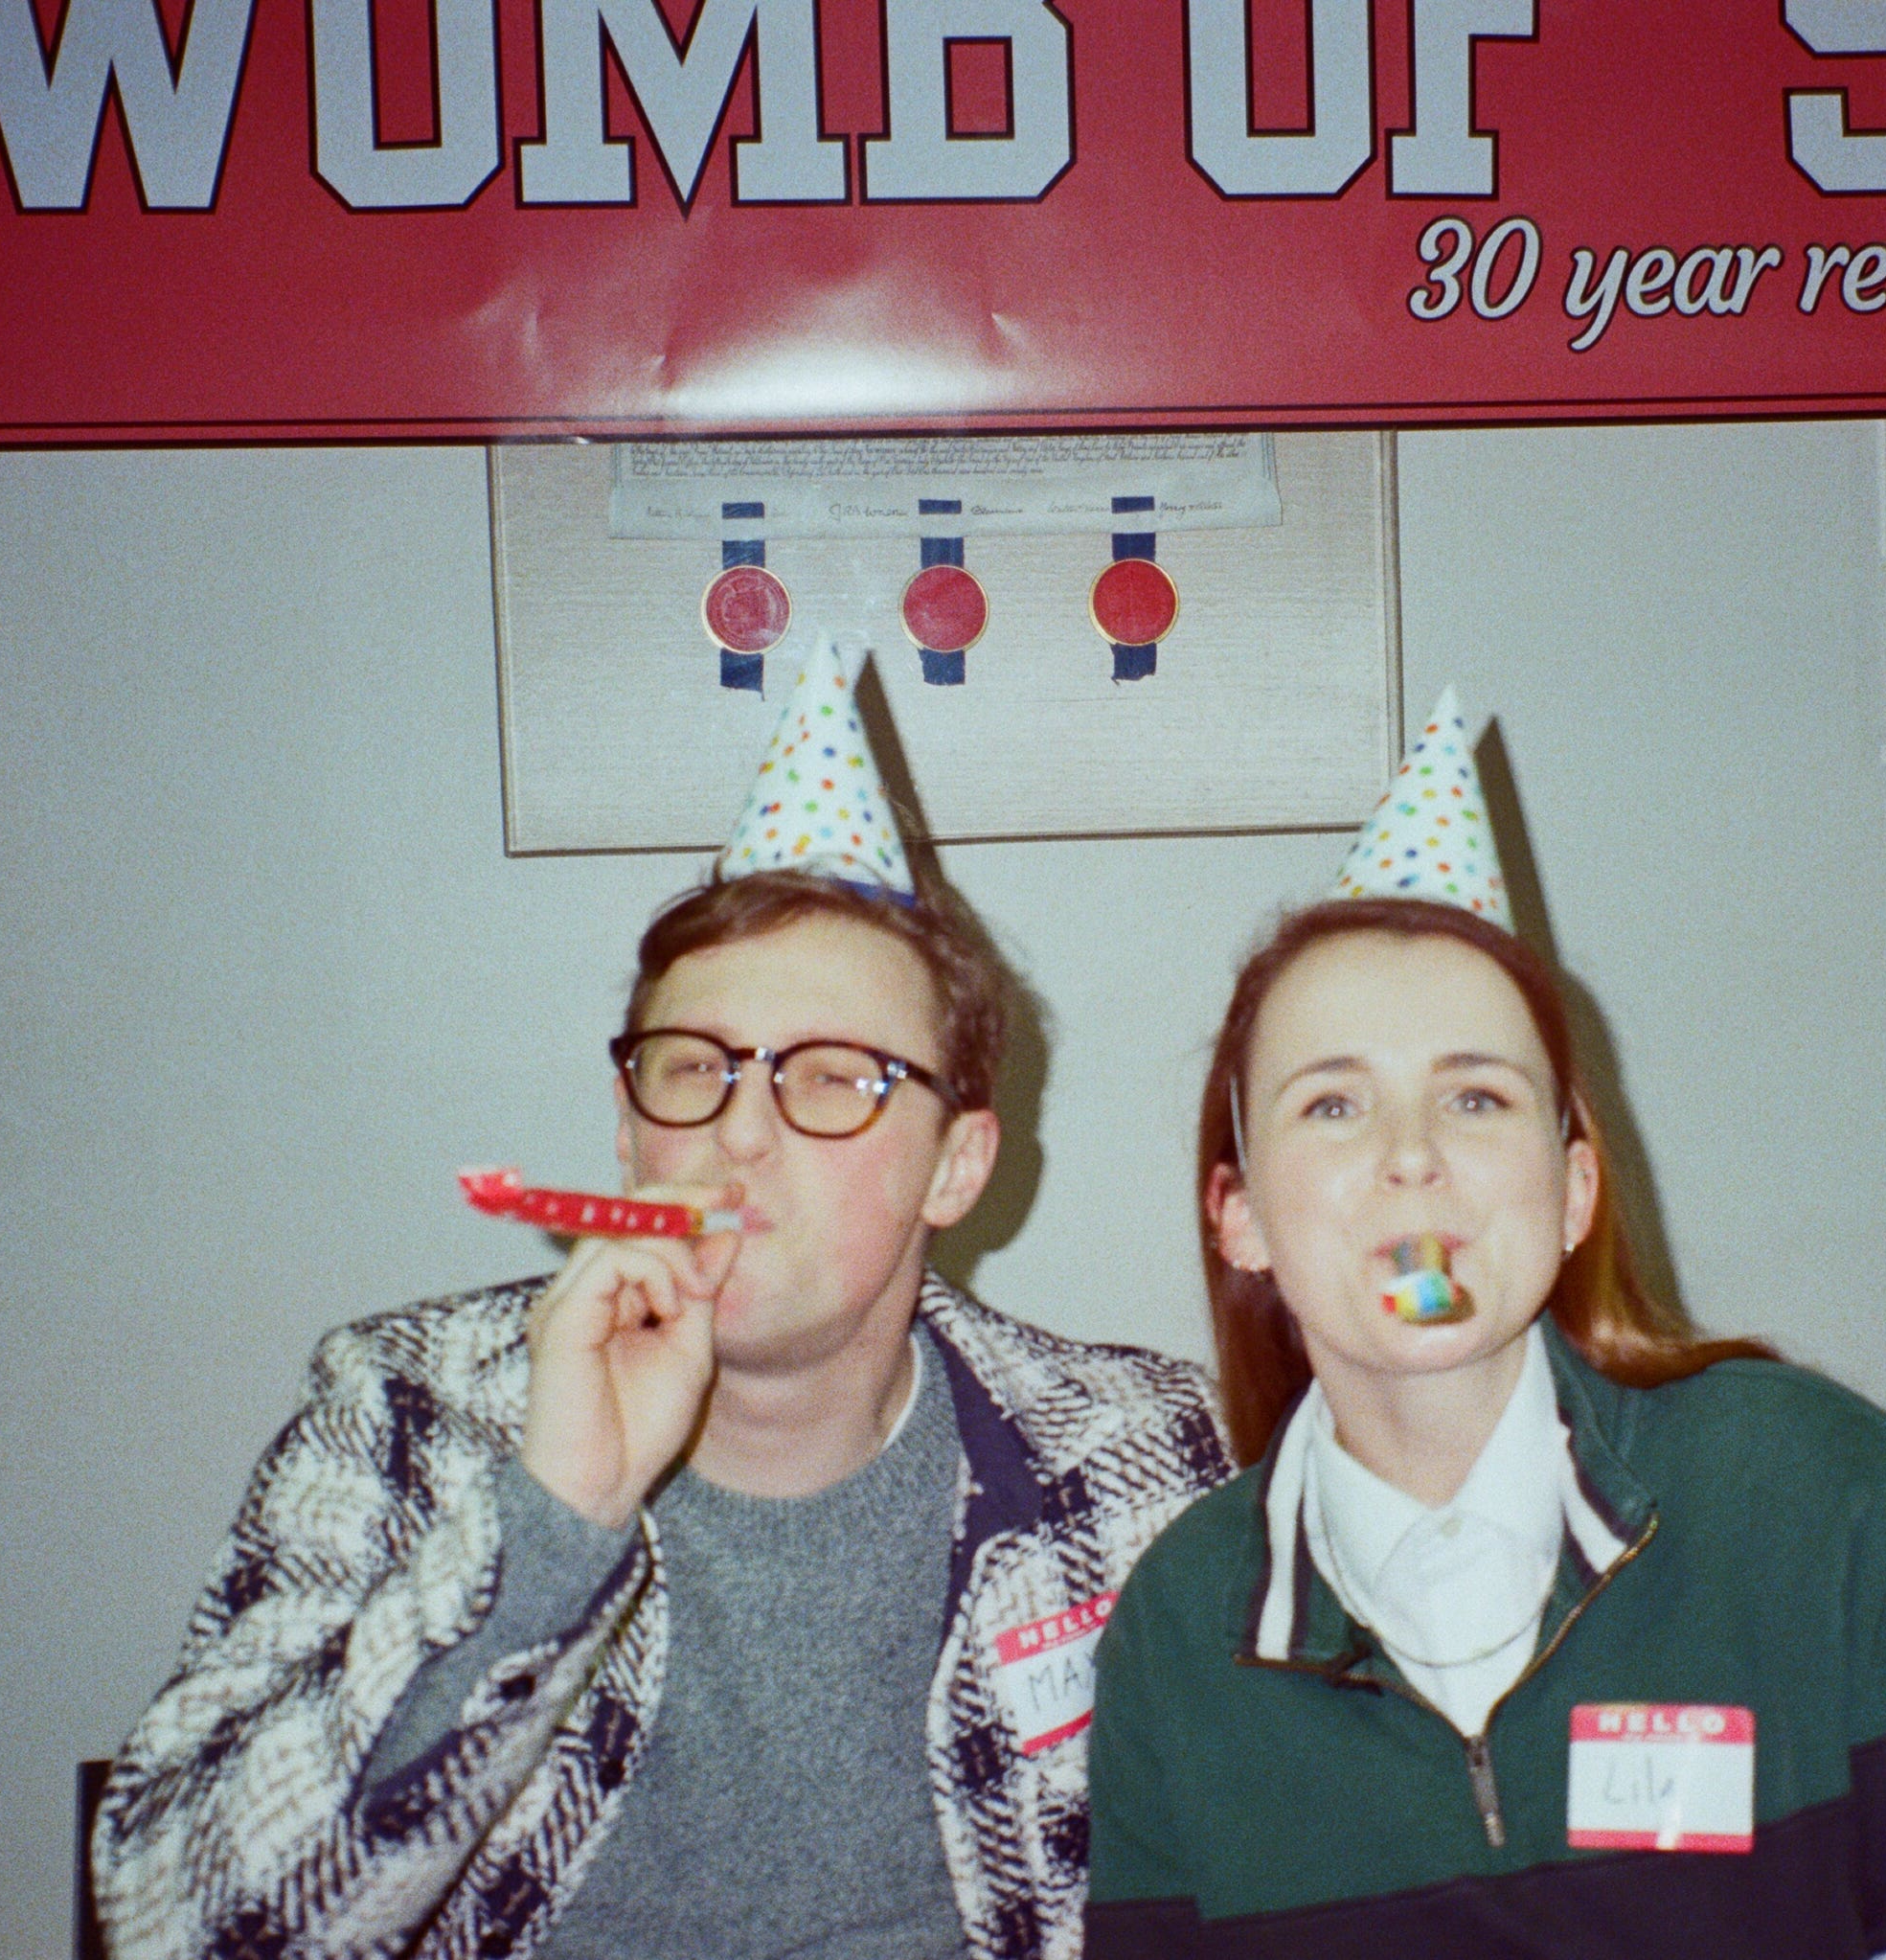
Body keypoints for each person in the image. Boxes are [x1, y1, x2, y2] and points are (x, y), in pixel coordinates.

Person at [90, 644, 1230, 1960]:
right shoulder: (408, 1409)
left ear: (955, 1165)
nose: (735, 1137)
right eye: (690, 1069)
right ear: (631, 1137)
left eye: (830, 1077)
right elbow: (174, 1925)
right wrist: (547, 1527)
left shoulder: (1132, 1455)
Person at [1083, 694, 1886, 1956]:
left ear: (1573, 1190)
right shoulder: (1180, 1628)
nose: (1411, 1158)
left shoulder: (1821, 1493)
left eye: (1474, 1097)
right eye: (1331, 1106)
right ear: (1240, 1215)